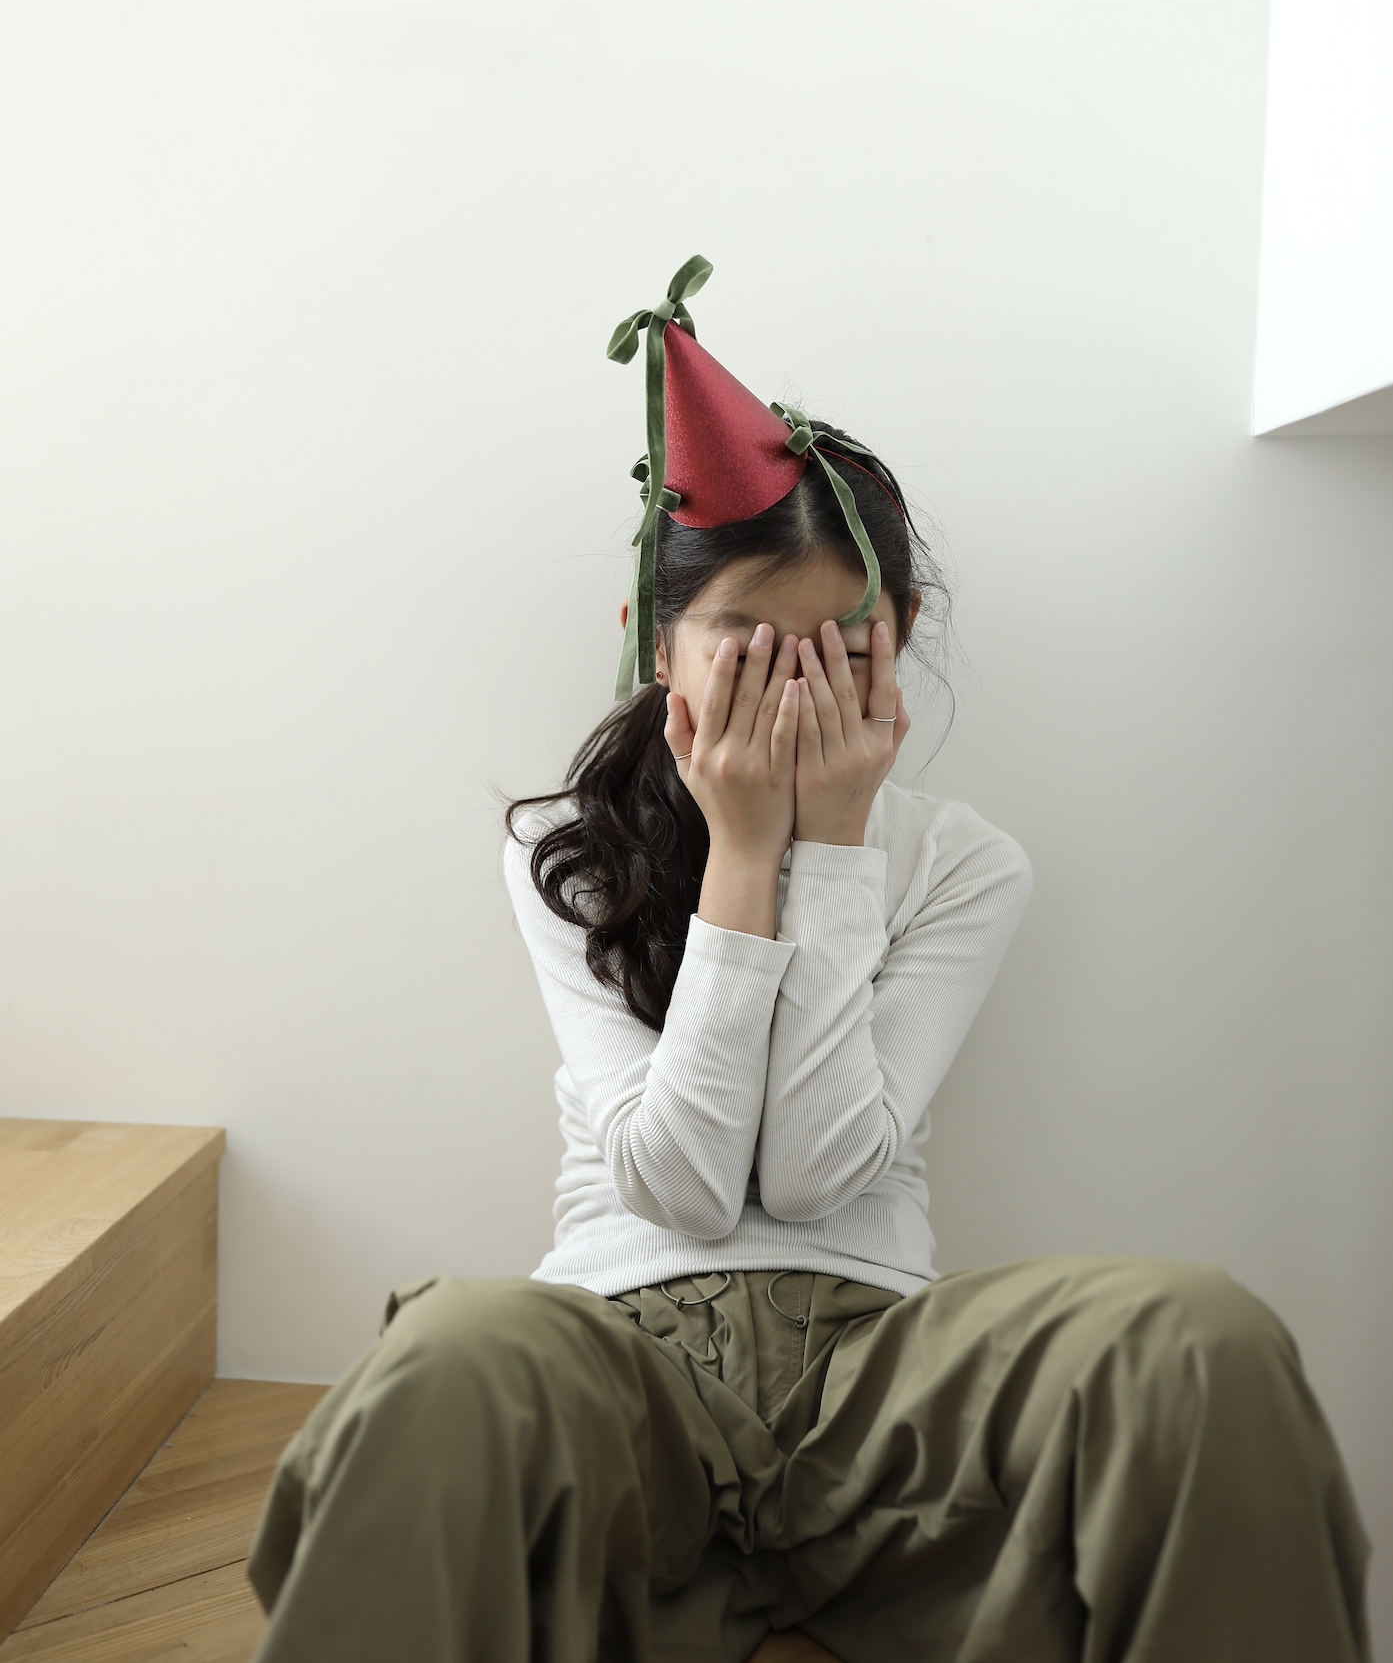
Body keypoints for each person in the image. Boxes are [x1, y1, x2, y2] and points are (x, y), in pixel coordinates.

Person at [248, 260, 1369, 1662]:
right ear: (658, 645)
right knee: (448, 1353)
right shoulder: (567, 854)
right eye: (745, 642)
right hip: (621, 1380)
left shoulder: (965, 865)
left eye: (840, 645)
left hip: (882, 1391)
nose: (795, 687)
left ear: (898, 645)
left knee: (1196, 1338)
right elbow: (681, 1183)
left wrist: (831, 848)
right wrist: (742, 854)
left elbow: (820, 1174)